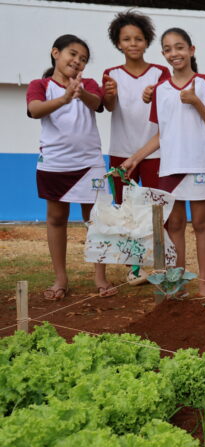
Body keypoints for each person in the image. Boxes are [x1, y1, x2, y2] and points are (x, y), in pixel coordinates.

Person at [120, 28, 205, 297]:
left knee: (201, 224)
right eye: (167, 49)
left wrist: (196, 102)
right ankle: (178, 282)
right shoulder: (161, 90)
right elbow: (160, 135)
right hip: (169, 167)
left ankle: (204, 283)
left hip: (197, 165)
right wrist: (135, 158)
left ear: (191, 50)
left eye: (179, 47)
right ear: (163, 55)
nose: (174, 53)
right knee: (175, 225)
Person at [26, 34, 117, 300]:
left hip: (89, 165)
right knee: (56, 220)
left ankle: (100, 277)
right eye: (73, 54)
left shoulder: (88, 84)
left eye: (83, 59)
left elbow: (98, 103)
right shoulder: (39, 84)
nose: (77, 61)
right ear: (56, 53)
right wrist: (64, 98)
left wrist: (80, 92)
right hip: (54, 165)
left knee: (96, 221)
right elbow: (35, 109)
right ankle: (60, 279)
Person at [103, 9, 171, 285]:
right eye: (127, 39)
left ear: (147, 42)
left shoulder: (161, 73)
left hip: (155, 151)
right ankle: (134, 268)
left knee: (157, 211)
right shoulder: (111, 74)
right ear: (118, 43)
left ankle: (160, 264)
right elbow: (107, 107)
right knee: (126, 211)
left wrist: (154, 95)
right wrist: (110, 96)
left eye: (138, 38)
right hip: (120, 151)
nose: (133, 43)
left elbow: (168, 106)